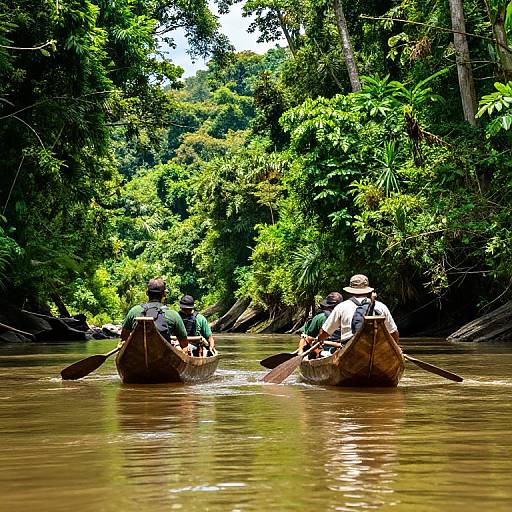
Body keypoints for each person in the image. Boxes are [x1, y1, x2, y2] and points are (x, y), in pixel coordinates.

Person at [315, 274, 399, 349]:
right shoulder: (381, 307)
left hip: (349, 348)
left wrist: (319, 340)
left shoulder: (342, 307)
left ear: (350, 290)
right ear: (367, 289)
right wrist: (394, 349)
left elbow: (325, 332)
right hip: (376, 348)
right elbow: (394, 333)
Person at [119, 278, 190, 354]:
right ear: (164, 294)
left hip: (138, 355)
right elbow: (184, 344)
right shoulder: (173, 315)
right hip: (163, 356)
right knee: (185, 350)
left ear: (147, 293)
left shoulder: (134, 311)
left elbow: (124, 337)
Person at [298, 292, 343, 357]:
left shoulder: (320, 317)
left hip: (330, 349)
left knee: (308, 338)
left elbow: (308, 337)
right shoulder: (348, 315)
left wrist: (301, 351)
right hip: (336, 348)